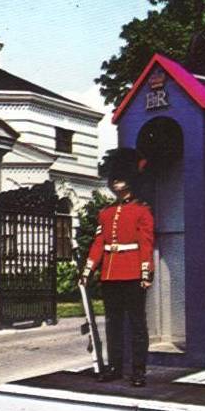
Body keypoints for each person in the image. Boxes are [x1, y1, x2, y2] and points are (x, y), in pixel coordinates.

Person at [79, 148, 154, 386]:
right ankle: (115, 367)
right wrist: (88, 271)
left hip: (133, 273)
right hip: (110, 274)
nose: (116, 183)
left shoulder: (142, 211)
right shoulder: (106, 213)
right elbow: (99, 243)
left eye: (120, 179)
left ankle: (139, 370)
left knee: (136, 324)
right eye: (114, 179)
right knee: (113, 325)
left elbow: (146, 244)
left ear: (130, 181)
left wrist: (145, 273)